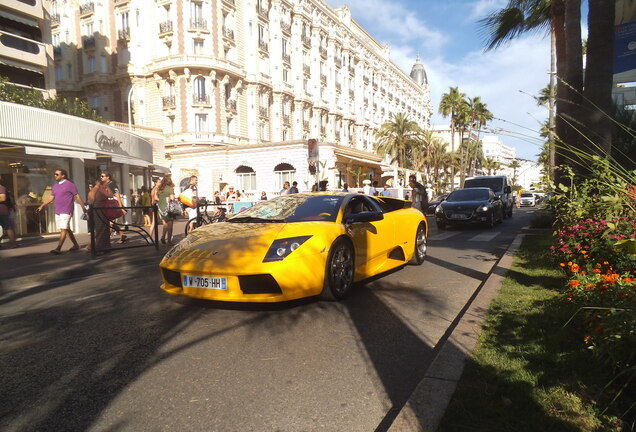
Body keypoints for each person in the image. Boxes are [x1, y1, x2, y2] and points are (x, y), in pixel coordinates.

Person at [36, 169, 87, 254]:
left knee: (63, 228)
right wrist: (42, 206)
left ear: (63, 175)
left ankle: (58, 248)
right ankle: (76, 245)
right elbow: (51, 197)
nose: (55, 176)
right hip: (58, 210)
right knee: (66, 228)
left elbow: (77, 196)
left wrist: (83, 208)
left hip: (67, 210)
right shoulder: (55, 186)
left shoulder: (70, 184)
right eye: (54, 174)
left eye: (57, 174)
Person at [101, 171, 127, 243]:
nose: (101, 178)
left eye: (103, 176)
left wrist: (121, 208)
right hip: (107, 206)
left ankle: (104, 241)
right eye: (101, 176)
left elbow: (117, 195)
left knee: (110, 224)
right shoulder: (104, 184)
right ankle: (122, 234)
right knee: (112, 224)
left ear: (107, 177)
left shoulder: (112, 184)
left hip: (113, 206)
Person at [156, 174, 176, 244]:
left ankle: (163, 237)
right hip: (168, 209)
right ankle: (169, 241)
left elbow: (157, 198)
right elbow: (172, 198)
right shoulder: (170, 188)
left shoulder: (160, 188)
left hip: (161, 208)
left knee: (165, 224)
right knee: (170, 225)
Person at [0, 181, 18, 248]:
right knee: (7, 228)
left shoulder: (1, 188)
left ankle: (13, 244)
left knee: (8, 227)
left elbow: (3, 198)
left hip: (2, 211)